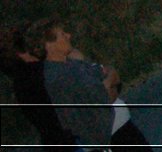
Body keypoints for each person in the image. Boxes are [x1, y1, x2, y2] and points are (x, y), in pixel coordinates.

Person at [32, 19, 153, 150]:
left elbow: (111, 75)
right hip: (110, 137)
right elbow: (101, 98)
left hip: (119, 130)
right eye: (62, 34)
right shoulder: (59, 77)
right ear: (49, 45)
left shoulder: (71, 63)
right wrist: (108, 85)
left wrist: (108, 82)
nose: (68, 36)